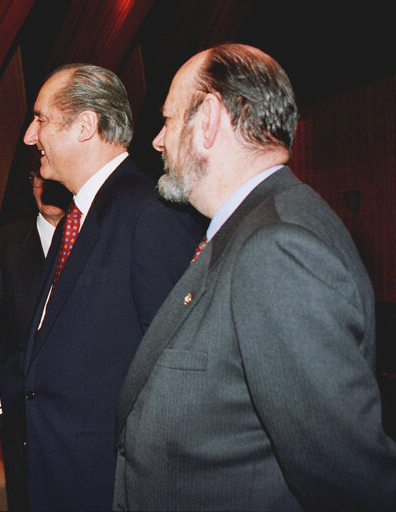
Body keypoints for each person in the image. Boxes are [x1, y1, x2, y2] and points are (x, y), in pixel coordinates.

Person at [113, 43, 396, 510]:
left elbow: (349, 479)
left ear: (208, 119)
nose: (158, 141)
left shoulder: (277, 247)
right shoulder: (252, 228)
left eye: (167, 120)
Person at [0, 63, 202, 510]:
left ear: (85, 126)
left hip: (109, 483)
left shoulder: (149, 213)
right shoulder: (78, 218)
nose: (30, 136)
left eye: (41, 120)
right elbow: (52, 351)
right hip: (56, 471)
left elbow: (177, 373)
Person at [0, 170, 70, 511]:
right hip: (21, 413)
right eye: (36, 177)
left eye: (50, 175)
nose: (44, 185)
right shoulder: (3, 243)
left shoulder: (94, 239)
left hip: (78, 416)